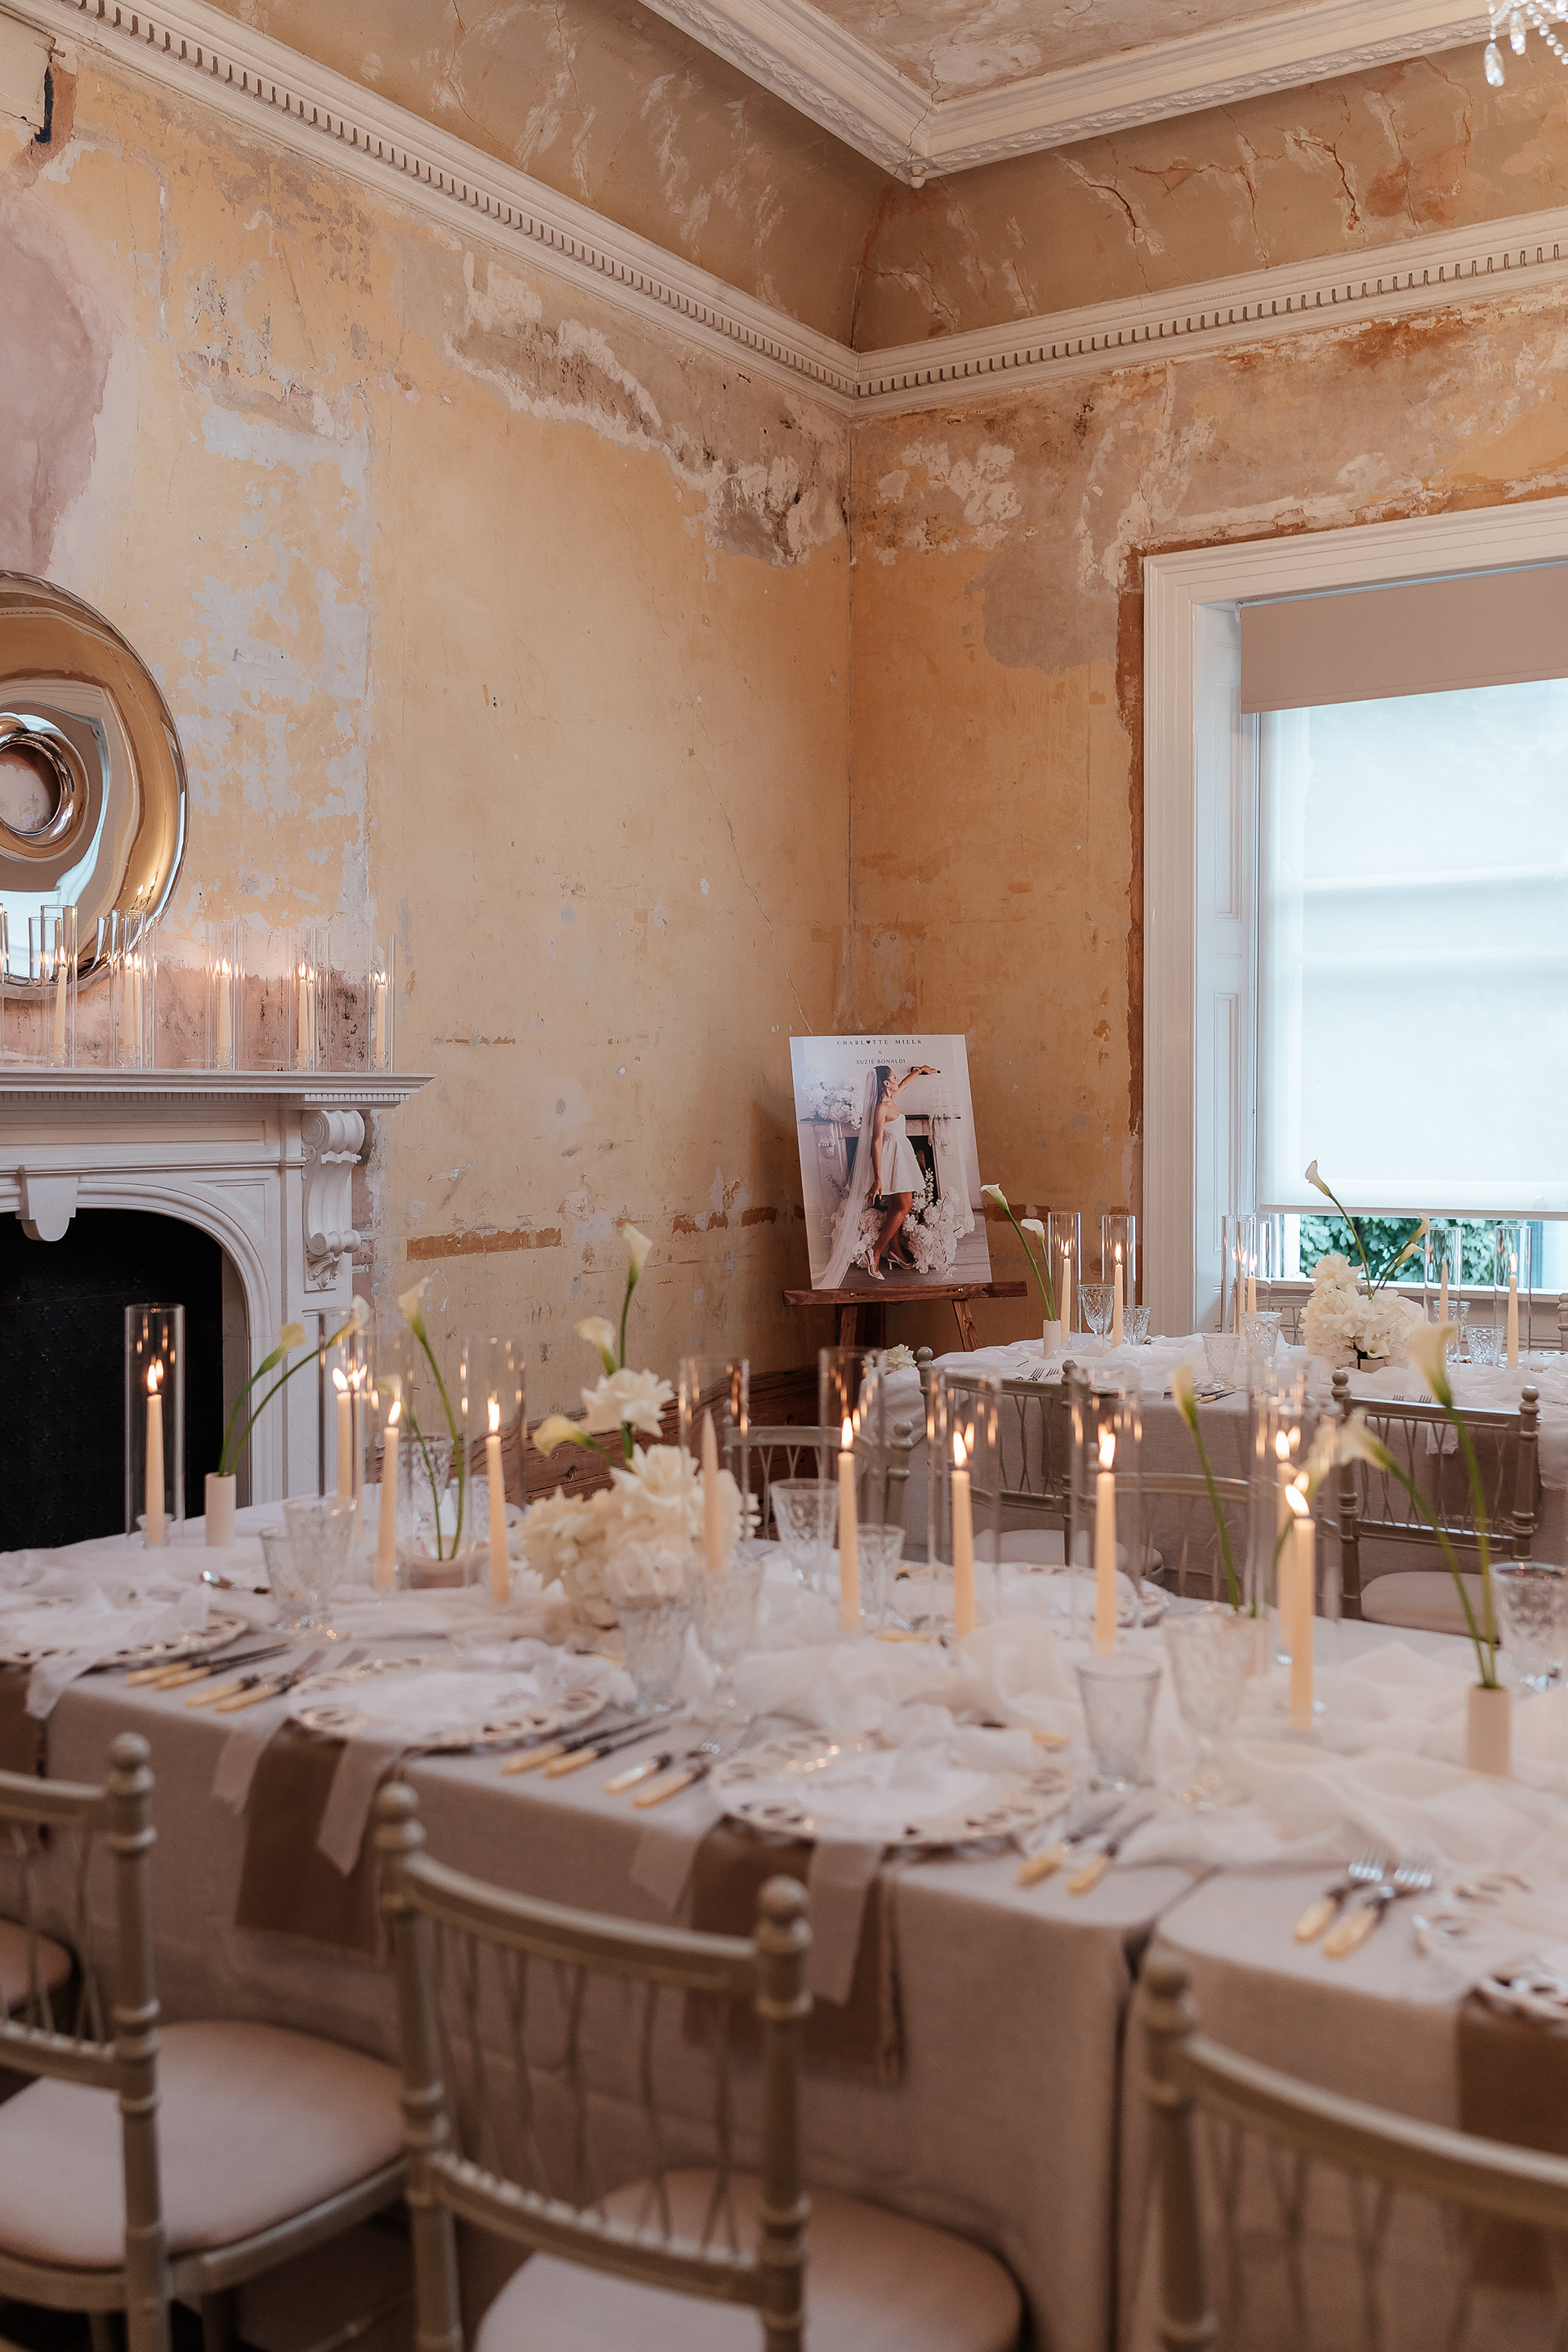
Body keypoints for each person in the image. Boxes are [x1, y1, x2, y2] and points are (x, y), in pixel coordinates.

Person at [860, 1062, 938, 1279]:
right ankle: (875, 1251)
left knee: (895, 1206)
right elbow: (876, 1141)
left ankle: (895, 1251)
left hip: (900, 1156)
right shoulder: (881, 1108)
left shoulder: (891, 1099)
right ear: (886, 1083)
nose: (896, 1080)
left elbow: (904, 1085)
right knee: (905, 1205)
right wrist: (877, 1178)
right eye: (893, 1077)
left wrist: (918, 1071)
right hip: (891, 1159)